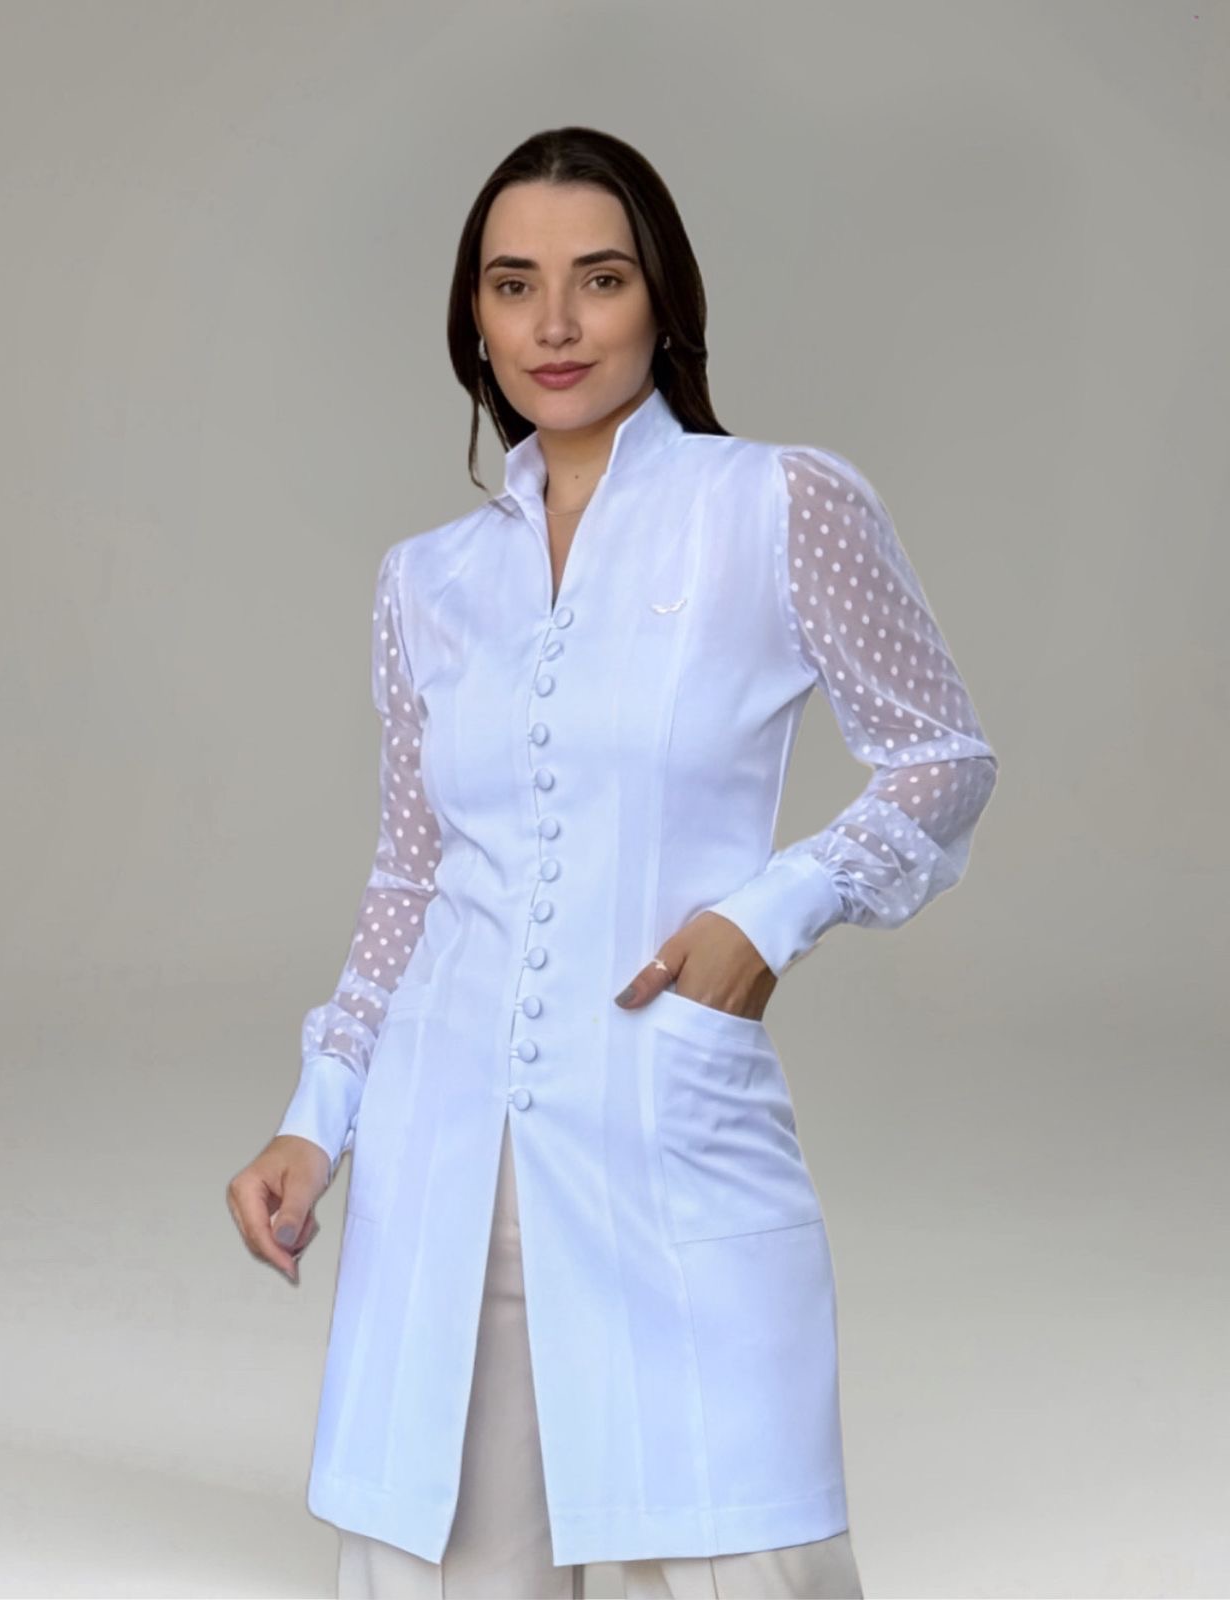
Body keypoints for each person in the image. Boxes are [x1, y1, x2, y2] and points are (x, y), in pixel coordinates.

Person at [227, 125, 999, 1599]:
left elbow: (943, 754)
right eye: (514, 286)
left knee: (737, 1549)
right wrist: (314, 1121)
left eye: (600, 278)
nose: (557, 325)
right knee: (453, 1564)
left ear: (663, 301)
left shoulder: (775, 504)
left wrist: (769, 914)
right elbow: (409, 880)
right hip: (444, 1156)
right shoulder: (427, 581)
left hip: (663, 1121)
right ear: (474, 318)